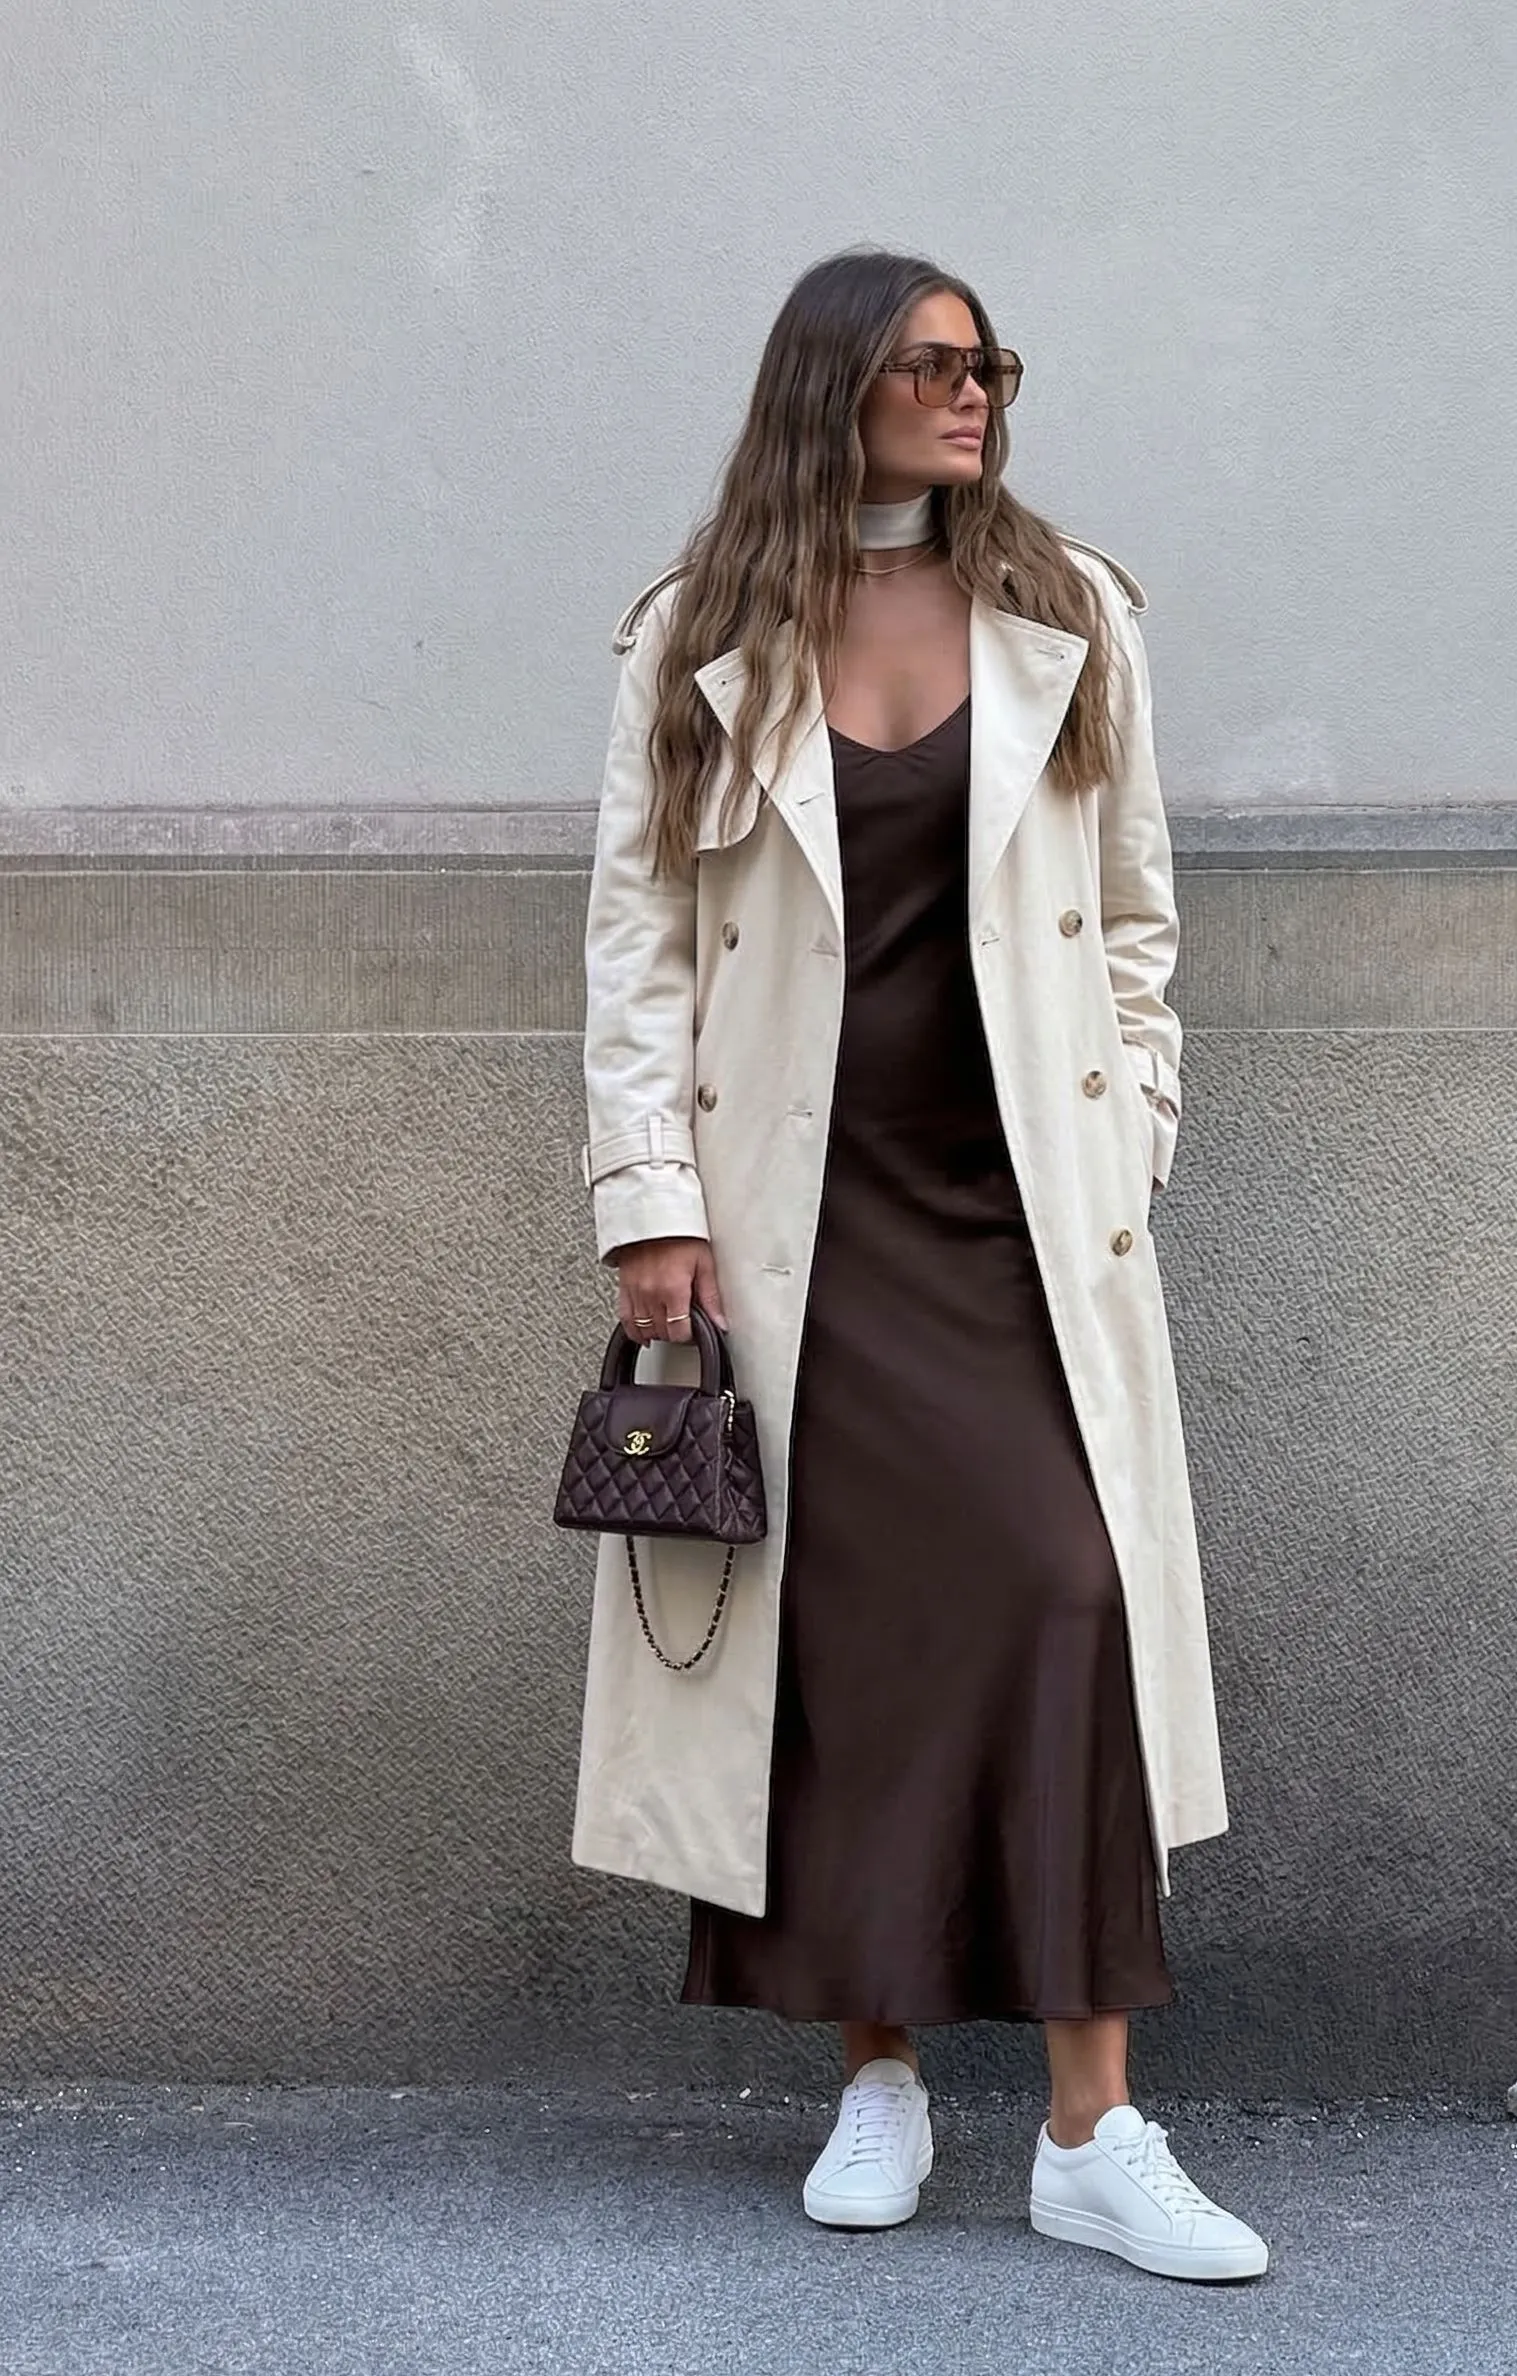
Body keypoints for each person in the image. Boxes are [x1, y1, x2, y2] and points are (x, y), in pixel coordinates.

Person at [572, 248, 1268, 2283]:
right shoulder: (695, 635)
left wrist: (1125, 1126)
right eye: (931, 367)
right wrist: (649, 1200)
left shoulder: (1070, 616)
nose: (974, 399)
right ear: (834, 388)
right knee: (839, 1647)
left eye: (988, 367)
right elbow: (637, 945)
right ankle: (869, 2071)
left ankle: (1089, 2123)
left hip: (1020, 1218)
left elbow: (1134, 926)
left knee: (1065, 1591)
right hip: (789, 1223)